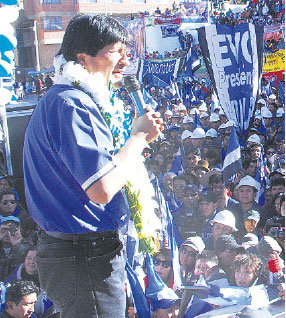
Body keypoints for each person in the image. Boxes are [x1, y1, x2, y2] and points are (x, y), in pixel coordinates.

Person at [23, 14, 163, 317]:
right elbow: (101, 190)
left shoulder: (66, 99)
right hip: (83, 256)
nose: (126, 59)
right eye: (116, 51)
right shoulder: (72, 104)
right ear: (83, 57)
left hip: (82, 255)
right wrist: (138, 137)